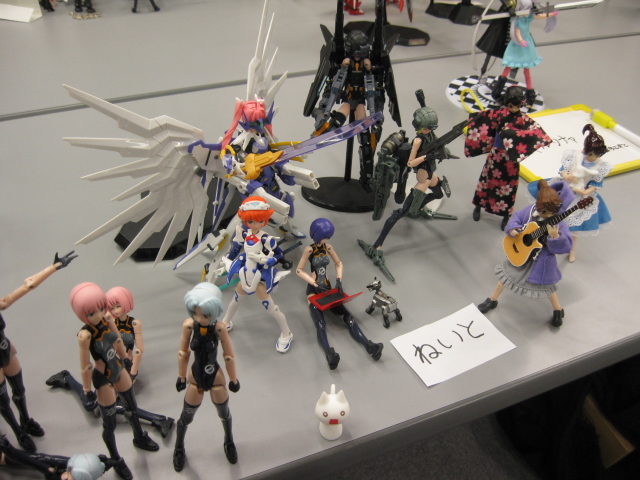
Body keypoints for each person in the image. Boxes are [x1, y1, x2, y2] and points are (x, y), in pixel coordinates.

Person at [70, 283, 159, 480]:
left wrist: (126, 359)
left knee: (132, 407)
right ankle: (116, 459)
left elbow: (118, 340)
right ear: (82, 314)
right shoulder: (85, 335)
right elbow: (86, 366)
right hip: (103, 378)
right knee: (109, 424)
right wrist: (87, 390)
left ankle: (139, 436)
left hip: (118, 367)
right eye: (92, 312)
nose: (99, 314)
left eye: (102, 308)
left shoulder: (108, 319)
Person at [0, 251, 76, 452]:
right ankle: (18, 431)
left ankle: (25, 419)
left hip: (5, 349)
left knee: (19, 390)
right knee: (3, 401)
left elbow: (26, 287)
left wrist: (53, 267)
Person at [477, 179, 573, 326]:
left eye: (552, 212)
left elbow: (566, 247)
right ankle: (492, 299)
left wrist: (555, 238)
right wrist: (513, 229)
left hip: (541, 261)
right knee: (504, 280)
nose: (548, 215)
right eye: (544, 211)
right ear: (538, 205)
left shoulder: (559, 223)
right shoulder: (530, 211)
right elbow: (516, 218)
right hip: (521, 253)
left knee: (548, 290)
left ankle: (558, 310)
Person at [297, 218, 383, 370]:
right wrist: (314, 283)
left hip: (328, 288)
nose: (326, 239)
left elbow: (339, 263)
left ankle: (369, 345)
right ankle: (329, 354)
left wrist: (339, 279)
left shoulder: (328, 247)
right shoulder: (309, 250)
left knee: (348, 317)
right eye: (324, 237)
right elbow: (299, 270)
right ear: (317, 234)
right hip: (314, 291)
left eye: (328, 237)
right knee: (320, 324)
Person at [174, 283, 240, 471]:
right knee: (185, 416)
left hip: (215, 376)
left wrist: (233, 379)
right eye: (196, 313)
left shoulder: (219, 329)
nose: (200, 318)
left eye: (205, 315)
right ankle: (179, 447)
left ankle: (229, 441)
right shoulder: (189, 326)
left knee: (224, 414)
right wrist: (181, 376)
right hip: (195, 375)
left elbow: (228, 355)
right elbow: (183, 353)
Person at [465, 86, 551, 230]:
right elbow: (482, 120)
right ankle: (479, 206)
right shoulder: (498, 114)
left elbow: (534, 131)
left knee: (509, 187)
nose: (514, 108)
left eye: (517, 106)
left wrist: (537, 138)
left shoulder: (523, 119)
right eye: (511, 105)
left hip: (511, 158)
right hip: (495, 155)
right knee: (486, 181)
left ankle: (505, 215)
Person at [219, 196, 294, 353]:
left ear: (265, 220)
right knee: (235, 301)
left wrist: (269, 260)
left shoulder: (266, 239)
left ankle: (286, 333)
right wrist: (227, 262)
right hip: (245, 274)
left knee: (272, 309)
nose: (254, 225)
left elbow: (279, 255)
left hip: (258, 277)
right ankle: (225, 322)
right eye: (250, 221)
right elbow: (235, 249)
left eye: (259, 221)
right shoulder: (244, 234)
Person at [557, 124, 612, 262]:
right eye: (592, 154)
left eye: (598, 155)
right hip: (566, 190)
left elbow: (596, 184)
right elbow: (563, 170)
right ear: (586, 151)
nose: (594, 157)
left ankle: (572, 250)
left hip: (580, 196)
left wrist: (586, 191)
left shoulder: (600, 166)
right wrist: (566, 176)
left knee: (574, 228)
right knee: (553, 216)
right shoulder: (575, 157)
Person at [490, 0, 557, 106]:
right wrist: (521, 40)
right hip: (517, 46)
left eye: (529, 8)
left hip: (526, 46)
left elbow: (538, 16)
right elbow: (517, 31)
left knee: (527, 69)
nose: (527, 11)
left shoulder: (528, 17)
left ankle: (530, 95)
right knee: (508, 67)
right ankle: (496, 93)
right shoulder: (518, 19)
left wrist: (550, 14)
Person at [106, 287, 143, 382]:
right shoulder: (113, 323)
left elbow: (139, 350)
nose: (115, 310)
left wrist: (133, 371)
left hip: (129, 362)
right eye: (112, 308)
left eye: (118, 306)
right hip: (115, 361)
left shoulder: (134, 324)